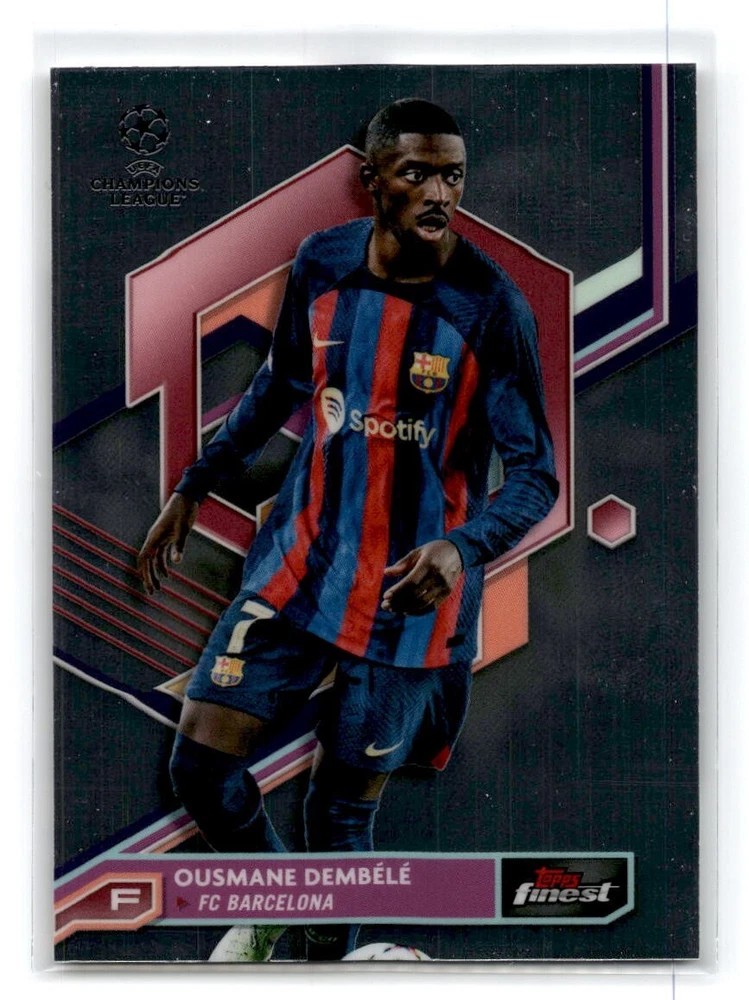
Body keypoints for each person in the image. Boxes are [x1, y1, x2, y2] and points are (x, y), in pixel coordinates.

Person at [138, 98, 558, 962]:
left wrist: (460, 548)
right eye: (416, 174)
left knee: (337, 817)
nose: (438, 193)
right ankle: (275, 908)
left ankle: (328, 976)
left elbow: (534, 477)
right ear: (371, 181)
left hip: (407, 604)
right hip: (301, 568)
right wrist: (194, 485)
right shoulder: (322, 262)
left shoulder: (490, 307)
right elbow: (279, 385)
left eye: (452, 176)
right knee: (200, 770)